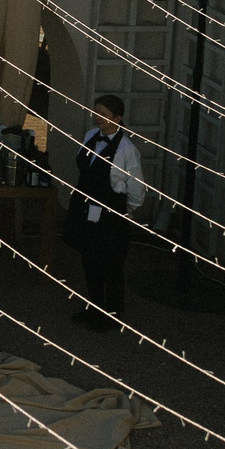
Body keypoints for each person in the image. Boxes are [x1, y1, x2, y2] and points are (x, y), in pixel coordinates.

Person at [66, 95, 147, 331]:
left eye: (103, 114)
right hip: (86, 208)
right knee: (89, 259)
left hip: (111, 215)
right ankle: (94, 306)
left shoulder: (126, 150)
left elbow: (136, 190)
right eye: (96, 113)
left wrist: (122, 211)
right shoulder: (91, 136)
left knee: (110, 265)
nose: (97, 118)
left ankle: (112, 314)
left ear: (118, 118)